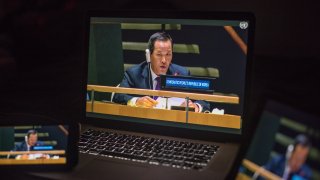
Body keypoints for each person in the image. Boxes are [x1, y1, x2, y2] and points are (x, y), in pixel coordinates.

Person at [113, 32, 209, 112]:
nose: (164, 60)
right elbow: (118, 96)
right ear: (149, 55)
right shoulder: (134, 73)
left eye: (168, 54)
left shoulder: (182, 73)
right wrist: (137, 101)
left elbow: (204, 100)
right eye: (159, 54)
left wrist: (196, 106)